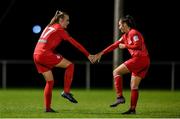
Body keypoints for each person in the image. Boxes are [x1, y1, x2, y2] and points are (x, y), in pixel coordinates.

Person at [33, 10, 94, 112]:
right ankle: (66, 92)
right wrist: (88, 54)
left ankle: (47, 108)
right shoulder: (59, 29)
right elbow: (75, 44)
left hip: (36, 55)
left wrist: (55, 16)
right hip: (44, 54)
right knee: (70, 65)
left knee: (50, 82)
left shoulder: (49, 26)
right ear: (60, 20)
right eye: (67, 20)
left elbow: (52, 22)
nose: (68, 22)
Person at [93, 15, 150, 114]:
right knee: (134, 86)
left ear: (125, 24)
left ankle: (119, 97)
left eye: (120, 25)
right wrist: (101, 53)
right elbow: (114, 45)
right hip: (143, 61)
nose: (119, 27)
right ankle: (132, 109)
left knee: (116, 72)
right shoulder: (125, 36)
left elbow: (138, 45)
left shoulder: (133, 33)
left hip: (139, 59)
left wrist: (125, 46)